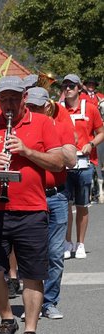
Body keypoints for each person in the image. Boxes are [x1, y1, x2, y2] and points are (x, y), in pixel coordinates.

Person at [0, 76, 63, 334]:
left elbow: (58, 162)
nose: (8, 104)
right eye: (4, 98)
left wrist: (28, 151)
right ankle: (7, 319)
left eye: (13, 98)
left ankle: (31, 332)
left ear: (24, 98)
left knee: (33, 273)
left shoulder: (43, 123)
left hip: (32, 210)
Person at [26, 87, 77, 320]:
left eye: (37, 107)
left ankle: (50, 302)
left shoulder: (62, 126)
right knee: (34, 252)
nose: (32, 111)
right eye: (29, 107)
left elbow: (72, 160)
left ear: (47, 106)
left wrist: (50, 141)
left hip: (56, 195)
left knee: (56, 253)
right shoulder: (24, 130)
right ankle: (34, 301)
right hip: (31, 195)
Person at [61, 74, 104, 259]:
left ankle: (80, 243)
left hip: (84, 163)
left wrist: (91, 144)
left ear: (79, 88)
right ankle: (66, 242)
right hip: (63, 164)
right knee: (65, 205)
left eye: (71, 85)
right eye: (65, 86)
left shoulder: (91, 108)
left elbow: (101, 132)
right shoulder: (56, 109)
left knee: (82, 205)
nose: (68, 88)